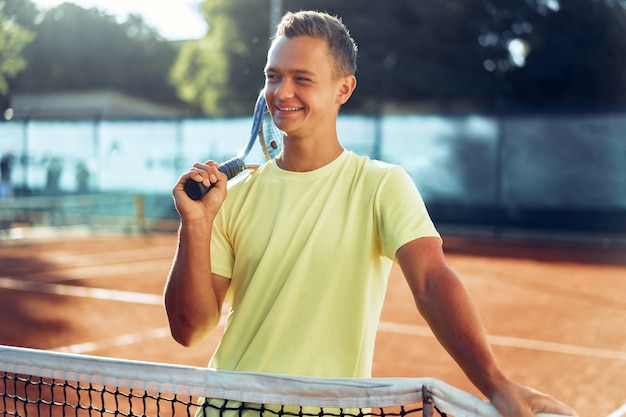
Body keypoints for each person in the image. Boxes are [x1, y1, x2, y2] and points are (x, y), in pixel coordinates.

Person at [164, 10, 577, 417]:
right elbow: (189, 329)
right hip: (227, 409)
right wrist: (195, 225)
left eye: (302, 79)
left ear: (343, 89)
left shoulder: (381, 184)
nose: (282, 92)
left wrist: (495, 383)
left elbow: (431, 281)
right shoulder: (232, 198)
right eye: (274, 76)